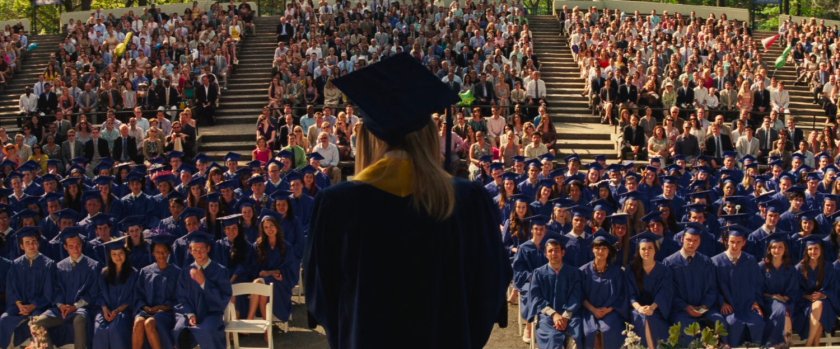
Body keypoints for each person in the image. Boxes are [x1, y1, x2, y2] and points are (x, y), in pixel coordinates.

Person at [306, 53, 511, 348]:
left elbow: (321, 296)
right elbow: (490, 288)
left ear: (367, 136)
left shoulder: (336, 205)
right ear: (429, 134)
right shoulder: (468, 200)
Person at [31, 227, 100, 349]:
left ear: (82, 245)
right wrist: (61, 305)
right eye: (71, 246)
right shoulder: (59, 267)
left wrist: (74, 307)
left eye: (78, 245)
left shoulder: (93, 266)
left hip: (80, 309)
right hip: (61, 310)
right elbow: (55, 290)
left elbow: (92, 293)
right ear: (65, 248)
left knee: (80, 320)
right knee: (36, 323)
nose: (75, 249)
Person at [662, 223, 725, 346]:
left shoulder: (706, 261)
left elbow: (712, 288)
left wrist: (704, 306)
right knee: (687, 327)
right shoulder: (669, 262)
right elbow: (668, 291)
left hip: (705, 309)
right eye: (688, 240)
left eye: (695, 240)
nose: (691, 243)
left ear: (700, 241)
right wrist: (686, 307)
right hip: (681, 311)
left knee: (718, 321)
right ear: (682, 239)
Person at [173, 233, 232, 349]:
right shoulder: (185, 272)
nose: (198, 253)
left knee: (206, 330)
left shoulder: (220, 271)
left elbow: (223, 298)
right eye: (195, 250)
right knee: (178, 329)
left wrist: (204, 283)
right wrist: (190, 314)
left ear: (208, 249)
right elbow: (181, 298)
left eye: (201, 249)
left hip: (212, 315)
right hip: (191, 314)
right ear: (190, 251)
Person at [0, 227, 55, 349]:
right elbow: (11, 289)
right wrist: (19, 304)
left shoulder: (48, 264)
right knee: (4, 318)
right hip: (19, 306)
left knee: (37, 319)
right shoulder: (15, 264)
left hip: (40, 306)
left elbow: (48, 293)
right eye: (27, 243)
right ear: (21, 246)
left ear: (38, 244)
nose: (31, 245)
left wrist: (33, 305)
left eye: (34, 242)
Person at [710, 227, 765, 347]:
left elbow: (757, 284)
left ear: (744, 243)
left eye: (738, 242)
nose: (735, 245)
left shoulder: (750, 260)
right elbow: (712, 287)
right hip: (729, 307)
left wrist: (756, 302)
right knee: (733, 323)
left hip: (747, 305)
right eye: (732, 242)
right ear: (726, 242)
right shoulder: (715, 262)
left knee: (758, 322)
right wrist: (722, 302)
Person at [246, 211, 298, 325]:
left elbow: (291, 268)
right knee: (260, 283)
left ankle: (250, 319)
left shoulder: (286, 246)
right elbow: (253, 267)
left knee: (259, 282)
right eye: (266, 227)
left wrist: (272, 273)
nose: (269, 229)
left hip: (280, 282)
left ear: (277, 227)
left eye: (272, 226)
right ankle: (266, 326)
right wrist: (264, 273)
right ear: (263, 230)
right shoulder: (258, 246)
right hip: (263, 281)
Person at [529, 238, 582, 348]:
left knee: (579, 335)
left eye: (557, 250)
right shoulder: (538, 273)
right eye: (550, 251)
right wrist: (554, 314)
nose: (554, 253)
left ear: (563, 252)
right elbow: (536, 297)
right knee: (553, 337)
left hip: (571, 315)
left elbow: (576, 295)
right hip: (547, 316)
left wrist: (566, 316)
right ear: (545, 254)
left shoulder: (574, 273)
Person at [580, 233, 628, 349]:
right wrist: (593, 310)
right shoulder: (583, 271)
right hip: (589, 311)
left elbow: (622, 295)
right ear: (592, 250)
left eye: (604, 248)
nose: (600, 251)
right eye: (597, 248)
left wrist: (608, 309)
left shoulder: (617, 272)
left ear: (609, 251)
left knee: (608, 330)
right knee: (589, 332)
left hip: (611, 310)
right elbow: (579, 295)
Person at [133, 235, 180, 349]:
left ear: (169, 252)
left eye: (164, 252)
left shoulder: (177, 272)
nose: (161, 255)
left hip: (167, 312)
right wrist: (145, 307)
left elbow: (179, 298)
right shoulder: (145, 271)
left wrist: (162, 307)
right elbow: (138, 294)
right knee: (139, 321)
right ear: (153, 253)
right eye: (158, 252)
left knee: (149, 323)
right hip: (147, 310)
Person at [627, 232, 673, 349]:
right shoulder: (631, 269)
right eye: (643, 249)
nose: (646, 251)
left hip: (658, 309)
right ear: (639, 251)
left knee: (651, 318)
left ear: (655, 250)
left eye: (650, 248)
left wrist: (652, 308)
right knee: (643, 318)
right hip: (636, 309)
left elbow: (664, 293)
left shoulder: (664, 270)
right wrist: (639, 308)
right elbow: (629, 293)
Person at [93, 237, 137, 349]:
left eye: (120, 253)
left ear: (125, 254)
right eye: (114, 254)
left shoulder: (133, 273)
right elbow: (99, 294)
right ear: (110, 256)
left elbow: (133, 297)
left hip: (124, 312)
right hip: (106, 311)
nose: (118, 257)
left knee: (115, 328)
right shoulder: (104, 273)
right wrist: (104, 309)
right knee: (99, 328)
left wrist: (117, 310)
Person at [794, 235, 837, 346]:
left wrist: (823, 294)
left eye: (816, 248)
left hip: (826, 300)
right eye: (810, 249)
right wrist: (805, 296)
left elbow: (834, 287)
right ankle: (815, 344)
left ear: (821, 250)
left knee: (819, 305)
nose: (813, 251)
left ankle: (809, 344)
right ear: (806, 251)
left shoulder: (828, 267)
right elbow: (794, 289)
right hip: (804, 303)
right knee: (819, 308)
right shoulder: (800, 268)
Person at [759, 233, 798, 347]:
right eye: (774, 247)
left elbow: (793, 289)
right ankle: (780, 342)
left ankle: (773, 343)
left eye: (780, 247)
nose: (777, 250)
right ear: (769, 249)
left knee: (782, 309)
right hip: (766, 301)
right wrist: (772, 297)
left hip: (786, 301)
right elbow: (757, 289)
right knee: (782, 310)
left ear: (785, 249)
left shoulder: (790, 268)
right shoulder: (762, 267)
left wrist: (785, 297)